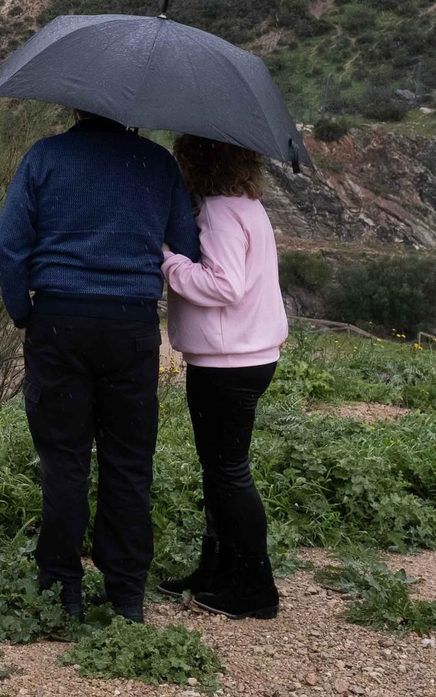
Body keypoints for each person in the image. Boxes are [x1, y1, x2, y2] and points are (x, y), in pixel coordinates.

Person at [0, 111, 200, 622]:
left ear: (79, 105)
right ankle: (127, 594)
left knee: (64, 460)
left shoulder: (45, 157)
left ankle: (62, 589)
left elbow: (9, 244)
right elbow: (188, 248)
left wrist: (23, 311)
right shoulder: (157, 163)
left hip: (59, 322)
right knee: (129, 463)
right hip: (130, 328)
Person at [159, 134, 286, 620]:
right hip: (250, 355)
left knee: (228, 473)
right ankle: (216, 570)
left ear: (197, 161)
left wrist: (170, 262)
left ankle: (256, 588)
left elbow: (224, 285)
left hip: (226, 361)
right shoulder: (250, 206)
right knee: (221, 471)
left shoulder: (216, 210)